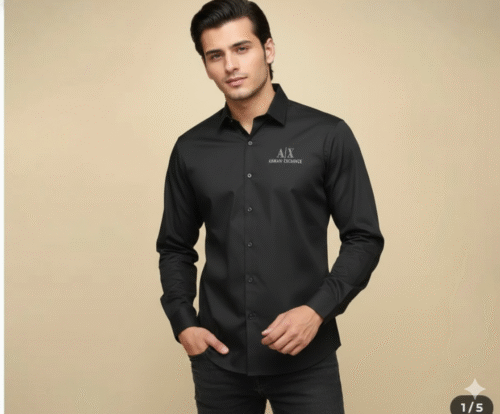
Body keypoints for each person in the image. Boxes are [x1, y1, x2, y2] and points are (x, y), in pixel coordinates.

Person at [156, 0, 384, 412]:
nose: (230, 65)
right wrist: (183, 323)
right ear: (206, 66)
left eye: (241, 48)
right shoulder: (190, 149)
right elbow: (175, 247)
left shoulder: (327, 135)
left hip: (306, 362)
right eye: (215, 55)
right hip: (219, 363)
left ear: (269, 49)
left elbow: (363, 238)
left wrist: (316, 312)